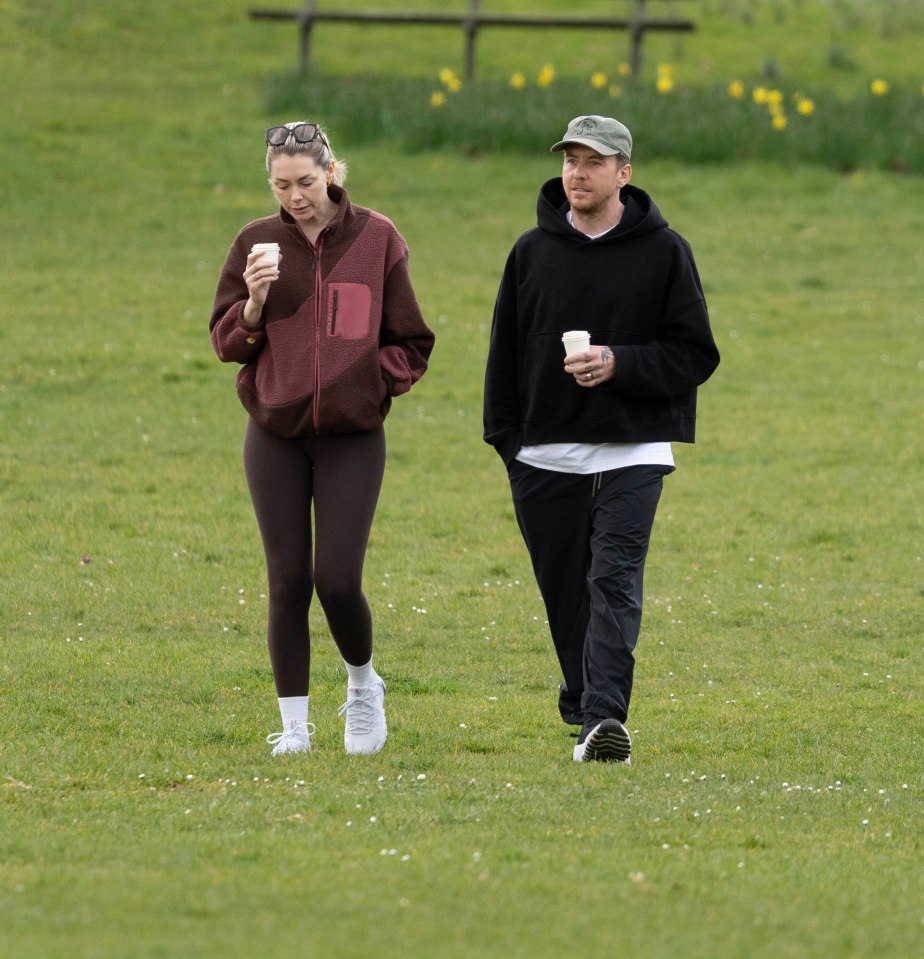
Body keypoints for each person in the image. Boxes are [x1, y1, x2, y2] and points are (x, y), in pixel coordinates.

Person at [483, 115, 719, 764]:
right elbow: (503, 355)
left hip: (634, 448)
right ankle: (587, 696)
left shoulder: (665, 251)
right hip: (543, 453)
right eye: (570, 160)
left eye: (594, 161)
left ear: (624, 173)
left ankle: (604, 718)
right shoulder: (531, 253)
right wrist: (508, 443)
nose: (578, 172)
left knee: (612, 582)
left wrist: (621, 364)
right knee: (565, 592)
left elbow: (695, 354)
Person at [210, 121, 434, 757]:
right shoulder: (254, 242)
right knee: (287, 580)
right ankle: (295, 728)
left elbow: (412, 342)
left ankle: (364, 688)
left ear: (331, 171)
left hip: (351, 437)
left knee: (336, 578)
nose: (295, 197)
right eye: (281, 185)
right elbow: (227, 344)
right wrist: (253, 304)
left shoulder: (378, 238)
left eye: (305, 182)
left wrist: (369, 383)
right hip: (274, 434)